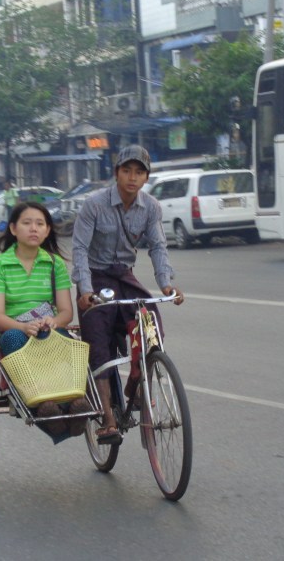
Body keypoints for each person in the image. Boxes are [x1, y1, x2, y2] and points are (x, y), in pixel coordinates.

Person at [71, 145, 184, 445]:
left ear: (146, 177)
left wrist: (166, 284)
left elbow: (158, 246)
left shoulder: (151, 207)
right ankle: (108, 419)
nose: (132, 178)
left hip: (124, 275)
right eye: (127, 171)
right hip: (95, 278)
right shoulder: (94, 205)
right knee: (98, 342)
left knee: (150, 323)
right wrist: (84, 291)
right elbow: (79, 249)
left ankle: (136, 388)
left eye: (139, 172)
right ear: (117, 172)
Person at [0, 201, 90, 438]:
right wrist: (23, 326)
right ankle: (40, 406)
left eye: (40, 224)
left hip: (47, 330)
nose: (34, 229)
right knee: (12, 339)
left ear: (47, 230)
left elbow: (65, 312)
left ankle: (70, 404)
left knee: (65, 341)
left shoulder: (55, 264)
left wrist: (54, 322)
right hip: (15, 330)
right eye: (27, 223)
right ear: (13, 229)